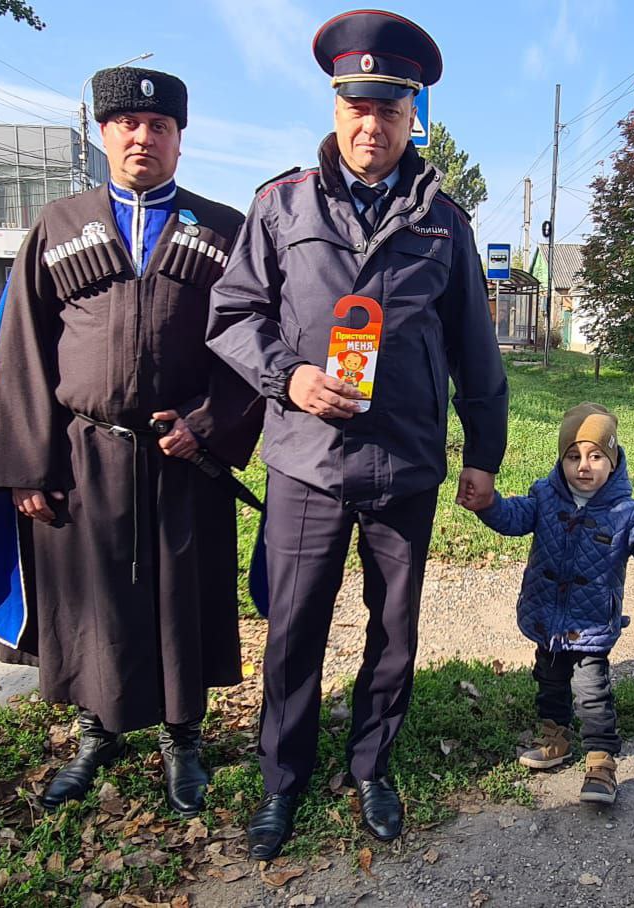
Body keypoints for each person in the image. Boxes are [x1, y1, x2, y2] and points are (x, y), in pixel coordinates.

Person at [206, 10, 508, 857]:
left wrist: (483, 454)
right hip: (306, 463)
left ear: (415, 114)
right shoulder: (280, 206)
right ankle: (282, 779)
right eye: (356, 107)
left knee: (394, 630)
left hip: (405, 463)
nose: (372, 124)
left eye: (390, 108)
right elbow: (231, 316)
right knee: (295, 626)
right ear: (336, 108)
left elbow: (475, 354)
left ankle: (372, 765)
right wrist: (289, 378)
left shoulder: (445, 222)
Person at [0, 66, 264, 819]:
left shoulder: (223, 229)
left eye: (159, 126)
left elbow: (255, 347)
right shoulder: (58, 228)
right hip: (80, 457)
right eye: (128, 124)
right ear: (104, 134)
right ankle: (97, 731)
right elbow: (21, 354)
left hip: (183, 456)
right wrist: (23, 466)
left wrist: (208, 423)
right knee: (93, 602)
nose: (143, 137)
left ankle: (182, 737)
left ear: (180, 140)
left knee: (180, 600)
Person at [472, 403, 634, 804]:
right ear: (561, 460)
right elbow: (514, 517)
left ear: (613, 460)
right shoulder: (544, 496)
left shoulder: (626, 513)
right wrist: (488, 504)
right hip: (547, 619)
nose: (584, 466)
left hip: (591, 624)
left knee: (592, 694)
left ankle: (601, 762)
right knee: (549, 684)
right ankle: (555, 740)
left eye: (596, 456)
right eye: (573, 456)